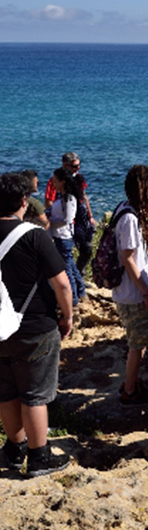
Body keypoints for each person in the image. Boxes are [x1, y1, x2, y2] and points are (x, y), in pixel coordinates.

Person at [0, 172, 73, 477]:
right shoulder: (34, 235)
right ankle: (38, 457)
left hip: (0, 328)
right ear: (23, 201)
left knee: (6, 393)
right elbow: (62, 284)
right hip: (35, 326)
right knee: (35, 395)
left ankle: (14, 449)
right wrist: (67, 317)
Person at [113, 165, 148, 406]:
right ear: (143, 189)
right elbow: (128, 259)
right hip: (132, 293)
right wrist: (146, 291)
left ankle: (132, 383)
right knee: (137, 344)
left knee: (138, 340)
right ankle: (130, 390)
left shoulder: (122, 208)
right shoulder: (131, 218)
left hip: (125, 290)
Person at [45, 152, 96, 274]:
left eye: (79, 165)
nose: (77, 168)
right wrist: (58, 217)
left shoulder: (78, 178)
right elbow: (49, 201)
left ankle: (79, 273)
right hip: (66, 221)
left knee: (87, 248)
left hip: (80, 217)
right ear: (65, 165)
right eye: (74, 166)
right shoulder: (55, 180)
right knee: (67, 251)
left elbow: (83, 196)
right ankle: (74, 278)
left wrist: (91, 216)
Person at [48, 167, 86, 305]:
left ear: (62, 182)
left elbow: (68, 219)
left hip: (64, 237)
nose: (52, 181)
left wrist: (50, 220)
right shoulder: (61, 196)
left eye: (55, 179)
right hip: (60, 236)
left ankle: (73, 299)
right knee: (71, 266)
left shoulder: (69, 198)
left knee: (67, 269)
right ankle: (80, 291)